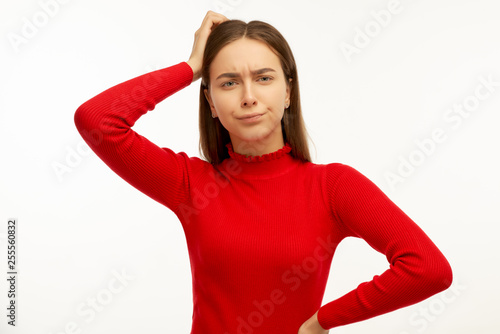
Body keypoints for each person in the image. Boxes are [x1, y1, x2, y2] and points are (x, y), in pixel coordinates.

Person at [74, 11, 453, 334]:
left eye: (264, 78)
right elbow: (98, 120)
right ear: (210, 102)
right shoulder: (191, 184)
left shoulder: (332, 187)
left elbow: (427, 268)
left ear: (288, 92)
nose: (248, 95)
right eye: (229, 82)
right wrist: (190, 67)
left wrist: (323, 320)